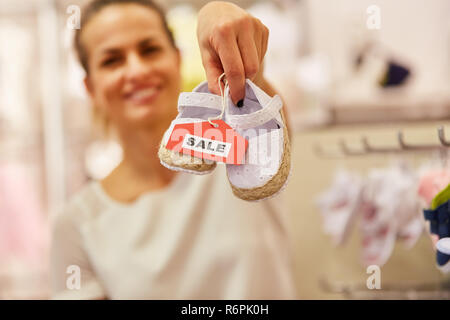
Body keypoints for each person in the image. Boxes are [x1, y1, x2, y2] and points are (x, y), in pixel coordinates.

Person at [51, 0, 297, 299]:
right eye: (112, 60)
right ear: (91, 88)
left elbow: (258, 100)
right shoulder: (77, 226)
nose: (137, 70)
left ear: (177, 59)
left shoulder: (246, 151)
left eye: (149, 49)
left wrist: (220, 17)